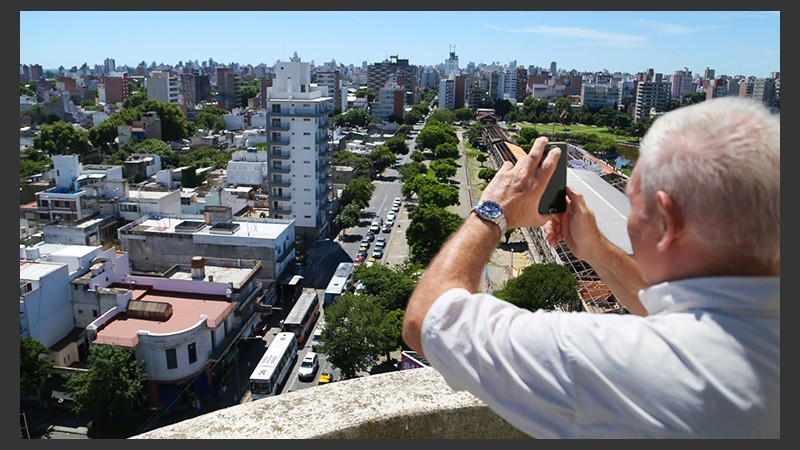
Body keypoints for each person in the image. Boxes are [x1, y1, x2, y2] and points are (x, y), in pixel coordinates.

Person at [402, 96, 779, 438]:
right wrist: (595, 249)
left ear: (667, 222)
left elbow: (427, 319)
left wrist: (494, 210)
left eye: (635, 205)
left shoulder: (622, 360)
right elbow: (671, 310)